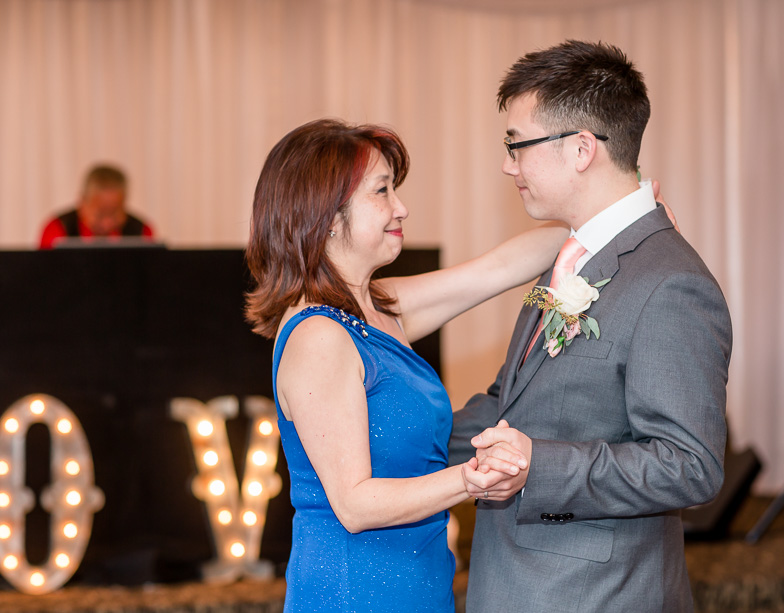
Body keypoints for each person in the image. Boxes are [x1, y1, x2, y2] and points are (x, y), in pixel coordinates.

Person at [448, 40, 733, 612]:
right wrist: (397, 440)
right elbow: (511, 405)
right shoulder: (575, 256)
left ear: (581, 149)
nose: (508, 164)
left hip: (593, 596)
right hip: (520, 583)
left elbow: (690, 465)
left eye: (517, 144)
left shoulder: (671, 282)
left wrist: (539, 466)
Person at [244, 118, 571, 612]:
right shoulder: (318, 337)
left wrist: (613, 220)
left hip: (417, 584)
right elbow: (354, 504)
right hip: (356, 594)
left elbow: (498, 269)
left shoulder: (376, 308)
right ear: (327, 217)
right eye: (382, 191)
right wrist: (471, 477)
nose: (402, 207)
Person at [38, 164, 154, 249]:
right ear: (82, 203)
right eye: (100, 214)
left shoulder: (141, 232)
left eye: (115, 214)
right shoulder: (58, 230)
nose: (107, 223)